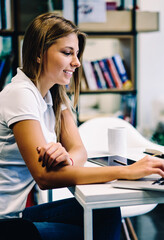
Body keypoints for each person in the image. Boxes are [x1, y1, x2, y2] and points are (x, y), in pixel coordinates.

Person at [0, 12, 164, 240]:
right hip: (6, 224)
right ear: (39, 54)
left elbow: (79, 150)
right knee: (97, 232)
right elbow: (44, 178)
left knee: (106, 212)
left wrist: (65, 160)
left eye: (76, 54)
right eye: (68, 53)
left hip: (17, 216)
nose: (77, 62)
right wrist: (126, 172)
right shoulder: (20, 94)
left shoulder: (53, 95)